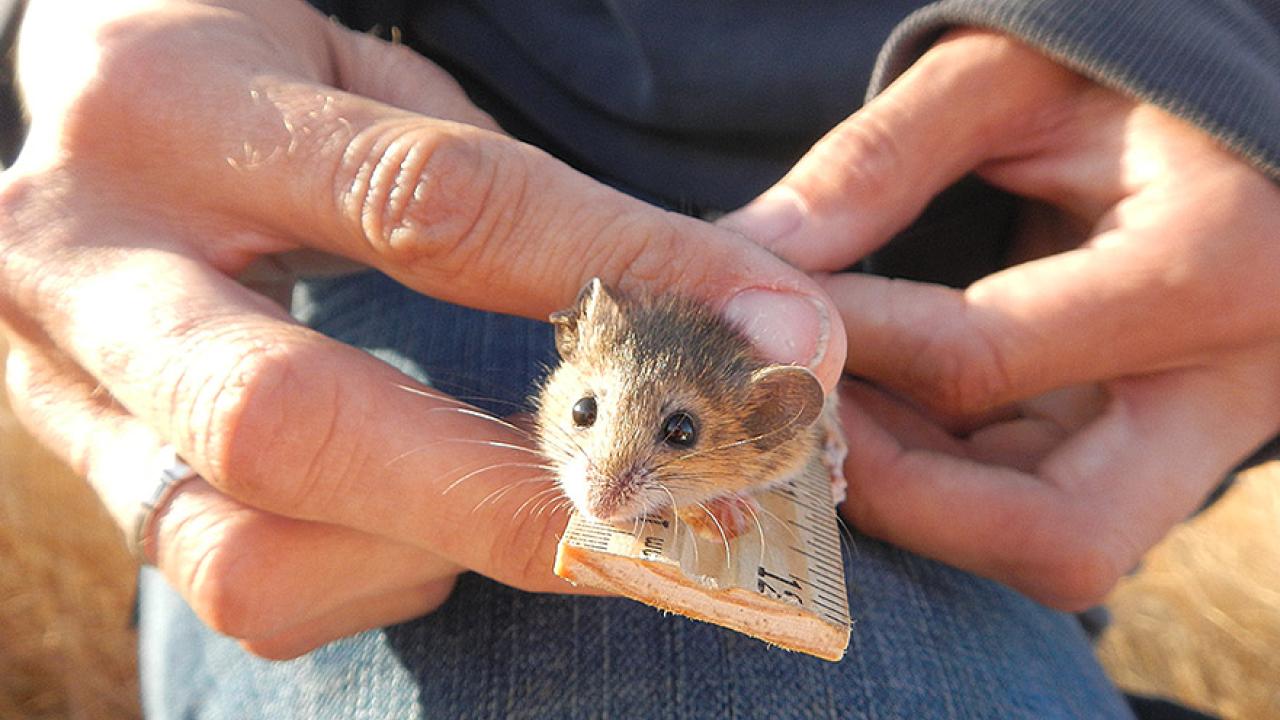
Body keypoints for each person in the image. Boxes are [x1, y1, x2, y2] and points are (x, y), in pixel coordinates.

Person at [1, 0, 1276, 717]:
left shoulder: (774, 411)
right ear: (574, 360)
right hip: (375, 242)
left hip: (972, 312)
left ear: (768, 418)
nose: (601, 483)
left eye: (665, 437)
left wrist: (1222, 87)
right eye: (593, 415)